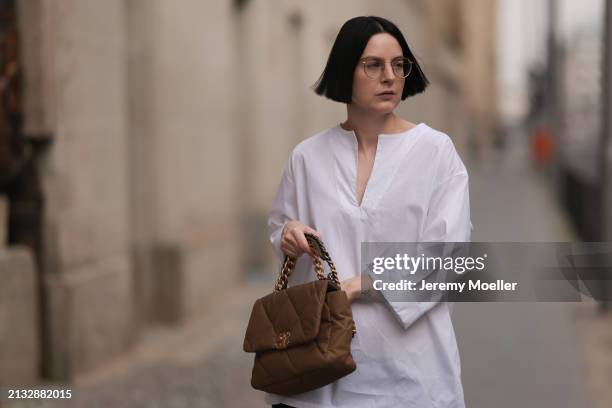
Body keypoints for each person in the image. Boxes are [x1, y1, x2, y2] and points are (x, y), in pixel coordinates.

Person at [267, 16, 472, 408]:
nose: (390, 77)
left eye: (399, 65)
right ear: (346, 69)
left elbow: (447, 257)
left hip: (411, 373)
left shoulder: (435, 152)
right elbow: (280, 227)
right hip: (318, 373)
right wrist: (290, 233)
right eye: (374, 65)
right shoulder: (307, 156)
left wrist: (360, 284)